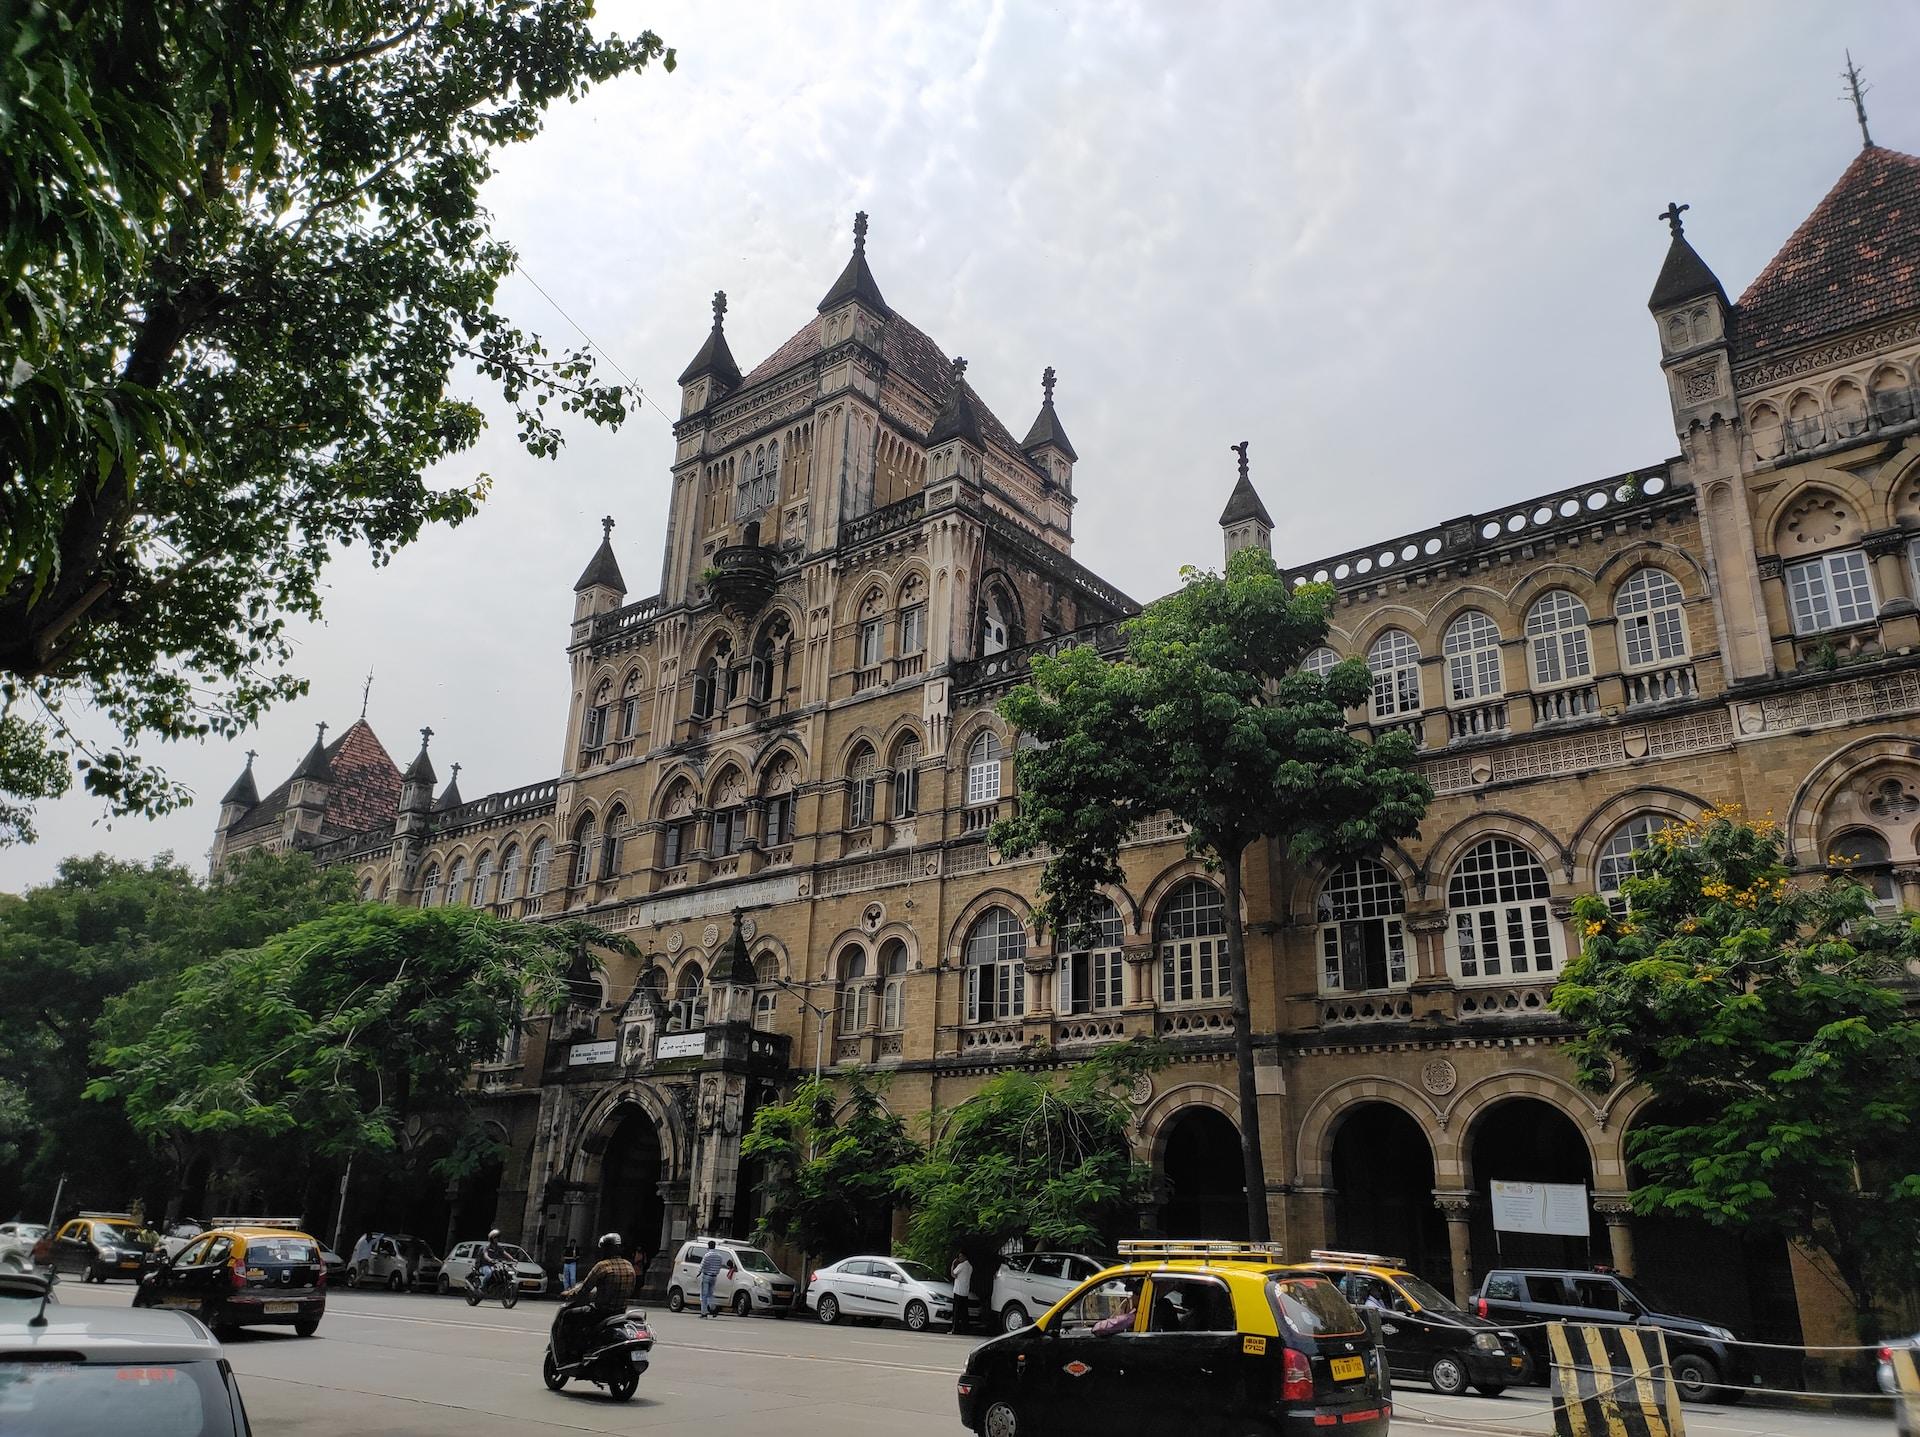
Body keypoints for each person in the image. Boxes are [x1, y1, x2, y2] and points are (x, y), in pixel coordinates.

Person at [559, 1232, 637, 1361]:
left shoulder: (602, 1266)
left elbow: (584, 1289)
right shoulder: (629, 1266)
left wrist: (567, 1294)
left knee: (568, 1315)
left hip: (601, 1312)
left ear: (606, 1249)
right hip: (620, 1312)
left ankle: (571, 1352)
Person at [696, 1239, 736, 1319]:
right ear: (714, 1246)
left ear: (708, 1246)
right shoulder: (719, 1256)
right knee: (710, 1294)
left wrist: (699, 1273)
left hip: (706, 1276)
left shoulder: (707, 1255)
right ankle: (713, 1308)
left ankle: (704, 1312)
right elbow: (719, 1266)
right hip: (714, 1276)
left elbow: (702, 1265)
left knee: (704, 1295)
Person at [477, 1228, 508, 1294]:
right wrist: (489, 1259)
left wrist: (513, 1259)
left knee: (501, 1272)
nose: (497, 1239)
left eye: (498, 1237)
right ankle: (482, 1287)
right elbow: (485, 1254)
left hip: (493, 1265)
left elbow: (505, 1253)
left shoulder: (498, 1247)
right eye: (495, 1237)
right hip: (484, 1266)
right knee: (489, 1273)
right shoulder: (487, 1246)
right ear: (491, 1238)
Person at [950, 1253, 974, 1334]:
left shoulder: (961, 1265)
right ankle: (965, 1329)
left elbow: (953, 1274)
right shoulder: (970, 1267)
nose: (959, 1258)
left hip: (958, 1291)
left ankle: (955, 1329)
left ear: (964, 1257)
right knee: (964, 1312)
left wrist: (953, 1264)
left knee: (956, 1311)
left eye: (960, 1256)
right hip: (965, 1291)